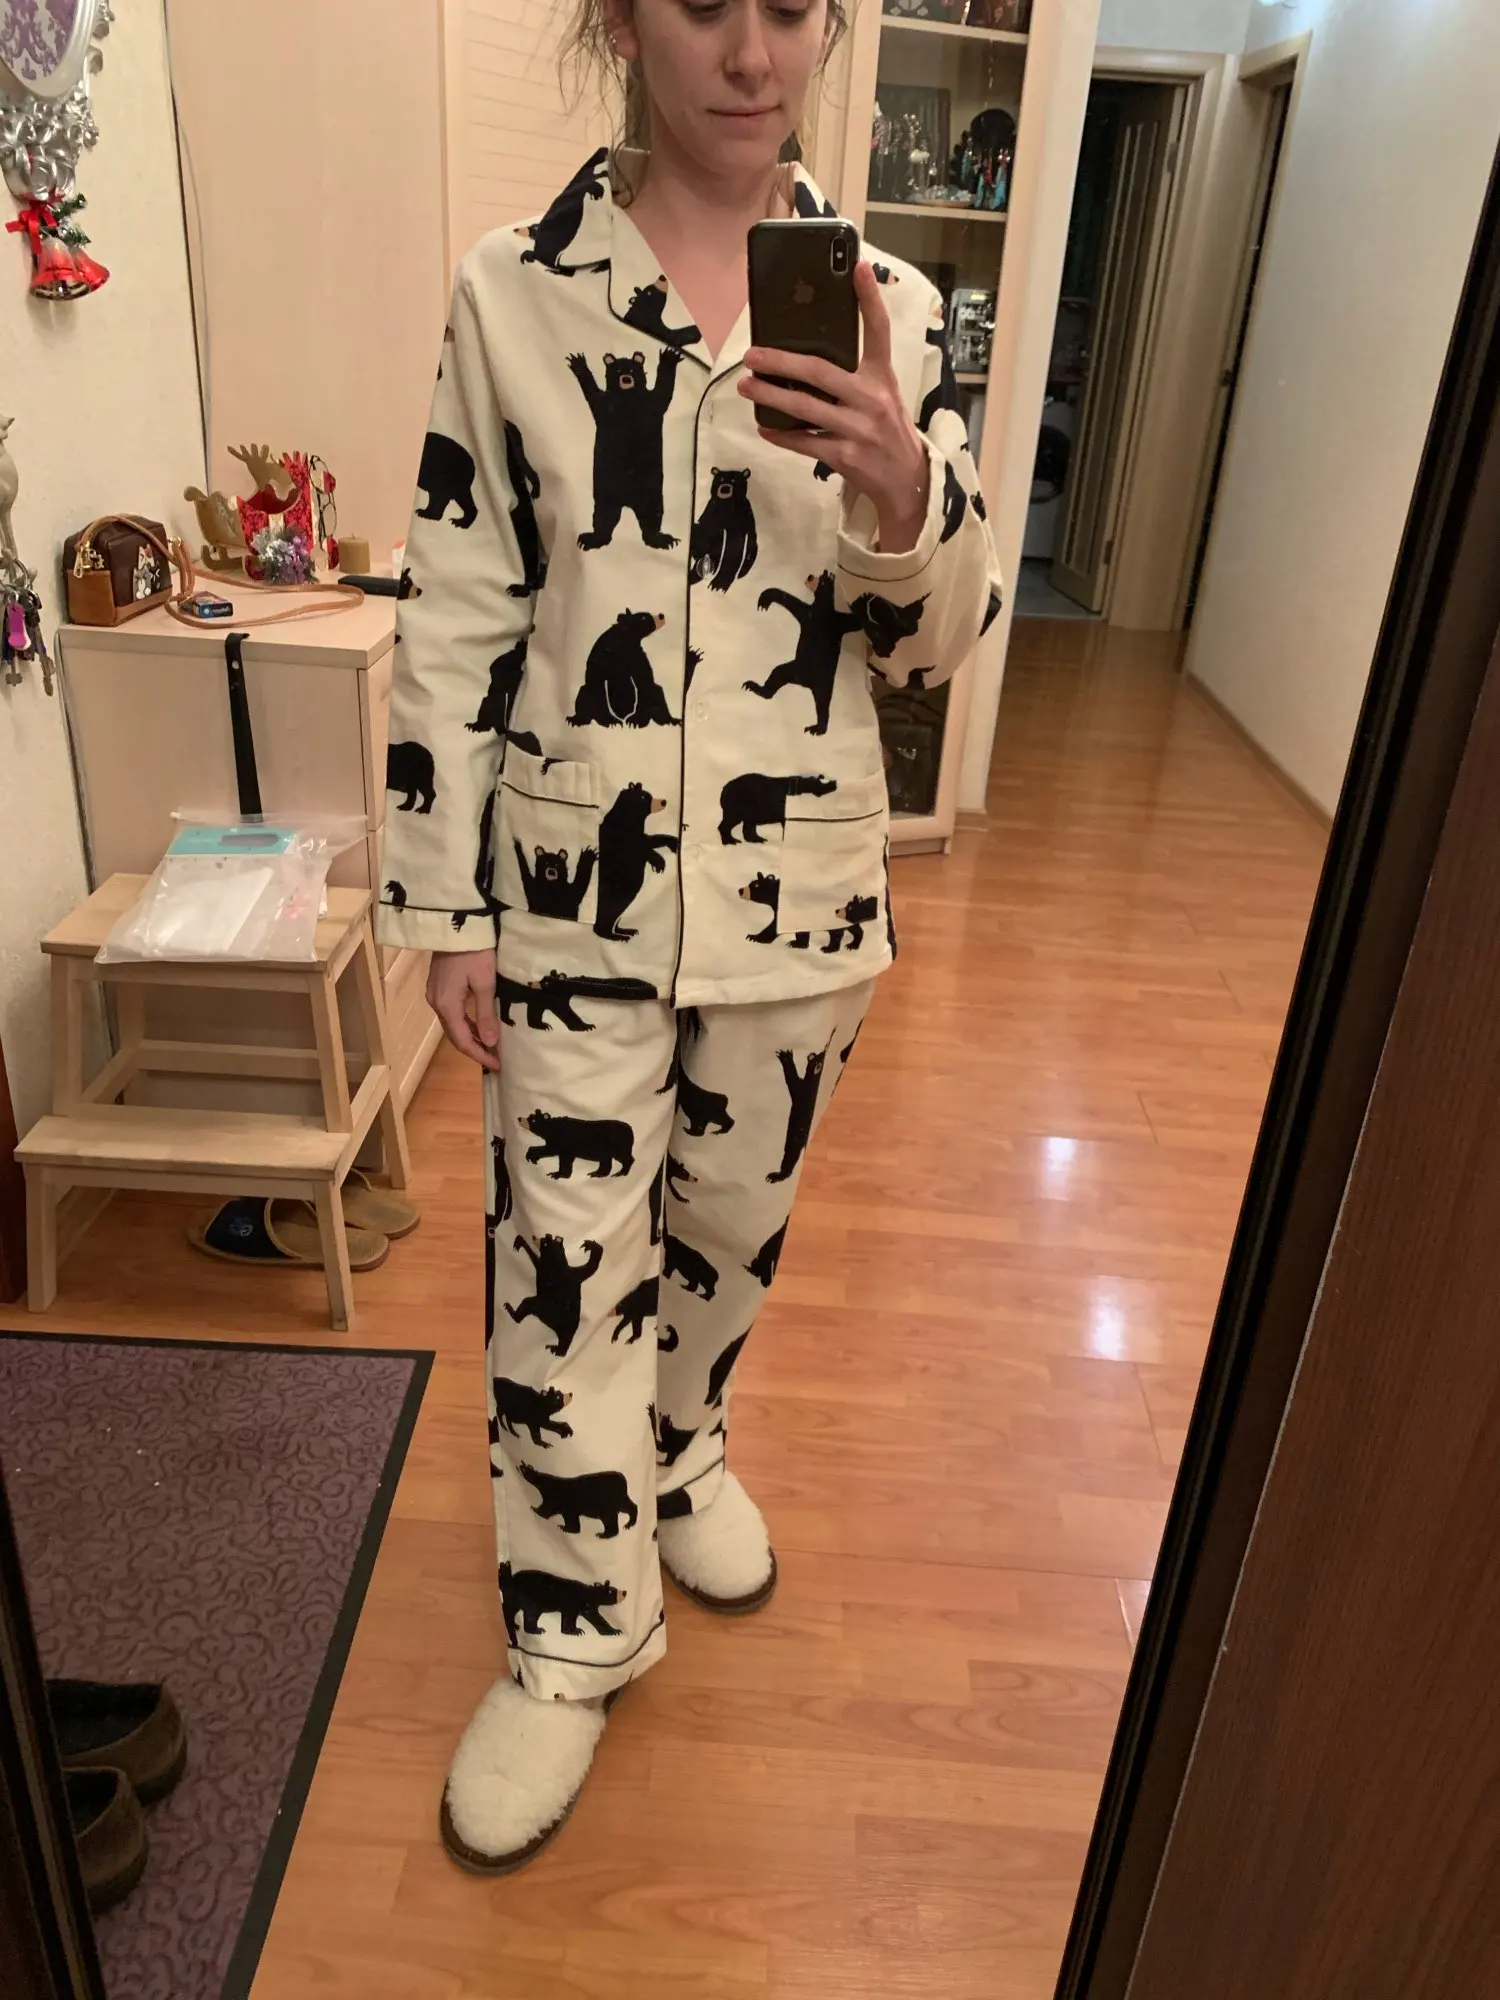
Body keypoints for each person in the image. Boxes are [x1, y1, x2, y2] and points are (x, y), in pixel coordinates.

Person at [376, 0, 1002, 1875]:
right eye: (705, 1)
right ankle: (569, 1634)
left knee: (728, 1232)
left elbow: (937, 643)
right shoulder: (513, 294)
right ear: (621, 17)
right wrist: (444, 905)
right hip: (569, 890)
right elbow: (458, 612)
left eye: (792, 8)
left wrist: (903, 490)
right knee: (566, 1257)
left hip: (799, 897)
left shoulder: (892, 305)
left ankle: (678, 1451)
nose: (751, 54)